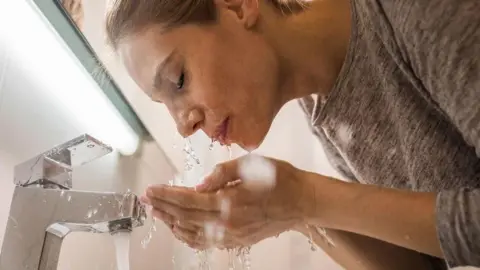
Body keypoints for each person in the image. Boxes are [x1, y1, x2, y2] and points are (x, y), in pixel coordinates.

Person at [104, 0, 480, 269]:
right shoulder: (324, 104)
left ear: (237, 7)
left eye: (179, 80)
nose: (183, 125)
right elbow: (429, 259)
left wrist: (307, 197)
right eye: (164, 103)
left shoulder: (419, 12)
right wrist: (289, 213)